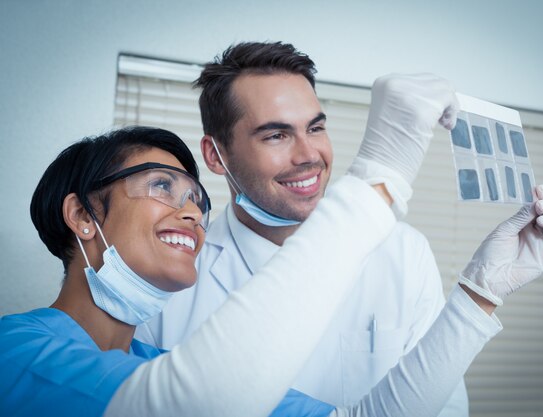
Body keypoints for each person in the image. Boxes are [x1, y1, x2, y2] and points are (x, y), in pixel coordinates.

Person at [0, 123, 543, 416]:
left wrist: (479, 294)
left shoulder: (160, 363)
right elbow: (184, 408)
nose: (192, 211)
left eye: (198, 198)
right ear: (80, 214)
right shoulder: (15, 351)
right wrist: (376, 186)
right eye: (160, 186)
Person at [134, 41, 469, 414]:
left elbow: (445, 408)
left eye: (315, 128)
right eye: (276, 135)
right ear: (216, 154)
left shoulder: (404, 252)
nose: (309, 155)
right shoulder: (168, 281)